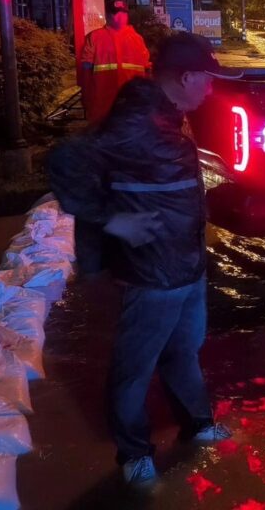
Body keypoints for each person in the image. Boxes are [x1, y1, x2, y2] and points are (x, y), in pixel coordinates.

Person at [49, 32, 236, 487]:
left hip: (186, 267)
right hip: (151, 275)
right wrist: (113, 219)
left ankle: (197, 423)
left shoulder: (168, 114)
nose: (211, 87)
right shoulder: (137, 119)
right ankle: (133, 452)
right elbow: (64, 161)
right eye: (207, 78)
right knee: (134, 368)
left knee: (183, 353)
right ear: (186, 77)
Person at [80, 0, 151, 124]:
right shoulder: (95, 37)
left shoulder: (137, 39)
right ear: (107, 15)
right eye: (115, 13)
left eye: (123, 13)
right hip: (104, 104)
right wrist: (86, 96)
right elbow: (86, 70)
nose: (119, 16)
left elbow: (147, 70)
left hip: (131, 104)